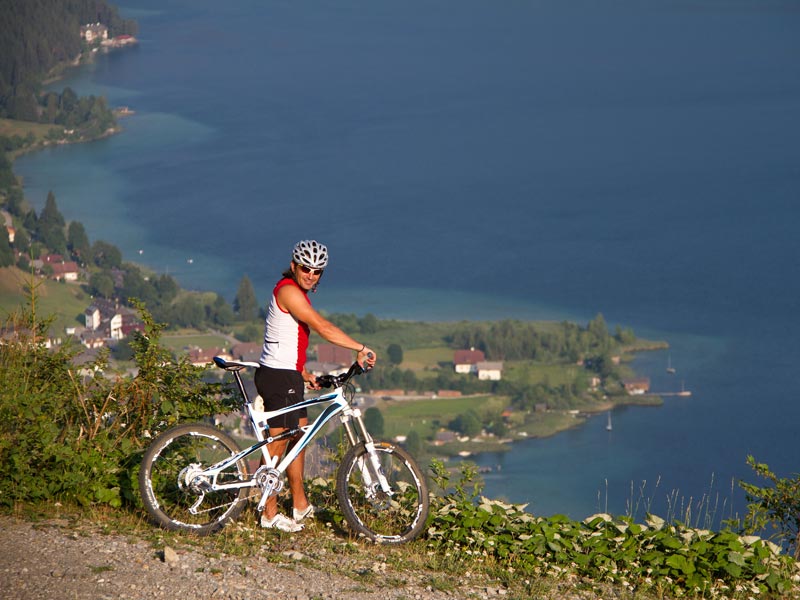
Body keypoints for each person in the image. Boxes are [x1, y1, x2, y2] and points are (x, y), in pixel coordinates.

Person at [254, 239, 377, 532]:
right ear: (294, 266)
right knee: (278, 442)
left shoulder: (295, 292)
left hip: (287, 374)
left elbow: (283, 339)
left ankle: (299, 504)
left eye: (317, 271)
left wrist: (304, 373)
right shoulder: (288, 291)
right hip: (278, 376)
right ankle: (268, 513)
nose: (311, 274)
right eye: (306, 268)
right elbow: (322, 328)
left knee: (300, 437)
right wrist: (360, 347)